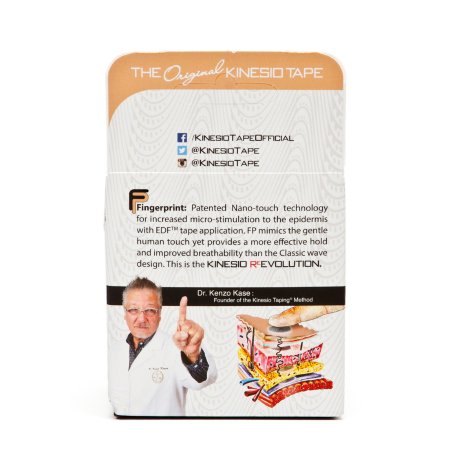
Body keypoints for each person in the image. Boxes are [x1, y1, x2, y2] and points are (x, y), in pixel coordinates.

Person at [108, 277, 217, 416]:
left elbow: (201, 381)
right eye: (133, 309)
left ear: (160, 313)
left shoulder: (176, 348)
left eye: (150, 310)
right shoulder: (115, 349)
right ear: (125, 313)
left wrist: (193, 355)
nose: (141, 319)